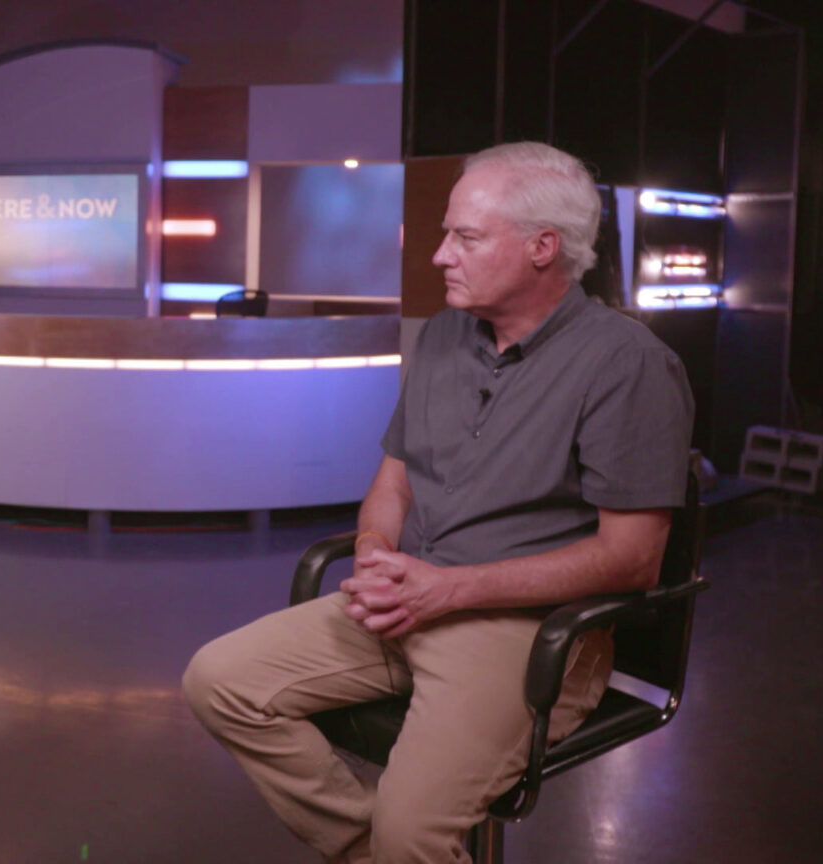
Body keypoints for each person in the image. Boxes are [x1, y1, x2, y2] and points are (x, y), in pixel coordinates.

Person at [183, 142, 694, 864]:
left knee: (413, 828)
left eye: (466, 237)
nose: (438, 256)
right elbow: (392, 484)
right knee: (219, 681)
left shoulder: (627, 364)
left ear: (542, 248)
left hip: (525, 633)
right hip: (408, 600)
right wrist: (374, 555)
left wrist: (447, 589)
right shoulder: (442, 337)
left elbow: (634, 560)